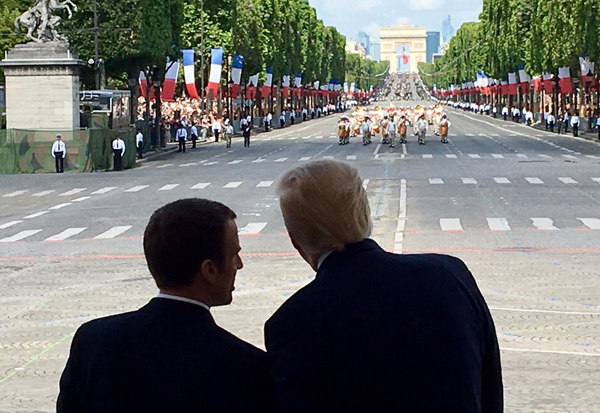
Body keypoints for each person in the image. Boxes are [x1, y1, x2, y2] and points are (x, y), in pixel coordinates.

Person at [265, 161, 503, 413]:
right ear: (364, 213)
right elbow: (490, 392)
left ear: (295, 240)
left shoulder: (292, 323)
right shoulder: (450, 275)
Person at [57, 199, 271, 413]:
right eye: (234, 254)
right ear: (209, 270)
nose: (239, 264)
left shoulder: (93, 341)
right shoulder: (246, 366)